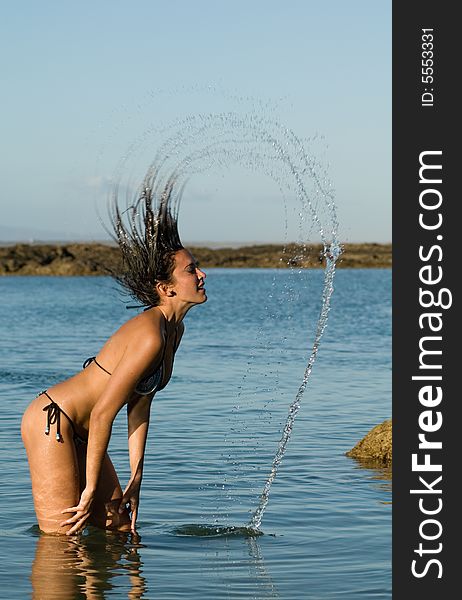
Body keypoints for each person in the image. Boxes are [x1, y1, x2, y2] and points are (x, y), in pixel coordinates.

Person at [21, 178, 207, 535]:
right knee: (62, 538)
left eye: (197, 267)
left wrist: (136, 480)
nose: (202, 274)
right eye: (191, 270)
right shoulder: (150, 334)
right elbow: (105, 410)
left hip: (84, 433)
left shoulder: (173, 332)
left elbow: (139, 406)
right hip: (53, 422)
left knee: (120, 526)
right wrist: (91, 489)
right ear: (165, 288)